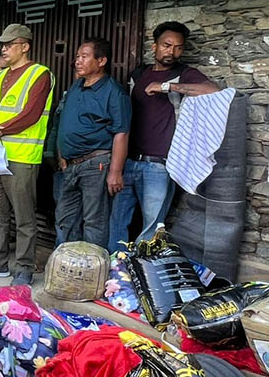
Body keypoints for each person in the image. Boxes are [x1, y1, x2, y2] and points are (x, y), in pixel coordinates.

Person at [108, 21, 220, 251]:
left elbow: (214, 90)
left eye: (178, 47)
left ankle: (140, 276)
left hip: (160, 165)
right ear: (154, 46)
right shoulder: (138, 73)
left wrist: (168, 87)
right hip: (128, 162)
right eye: (167, 45)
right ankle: (115, 274)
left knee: (152, 227)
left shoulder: (183, 73)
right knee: (117, 221)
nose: (172, 52)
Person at [0, 24, 54, 286]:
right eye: (2, 45)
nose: (4, 49)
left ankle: (24, 267)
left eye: (9, 44)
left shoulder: (39, 74)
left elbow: (31, 113)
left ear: (25, 46)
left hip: (22, 156)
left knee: (23, 216)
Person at [52, 38, 131, 249]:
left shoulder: (114, 92)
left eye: (84, 56)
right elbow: (65, 122)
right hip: (71, 165)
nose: (78, 61)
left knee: (94, 221)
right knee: (65, 218)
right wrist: (62, 157)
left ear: (102, 60)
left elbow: (121, 133)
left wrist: (115, 172)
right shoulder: (76, 86)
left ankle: (92, 272)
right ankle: (68, 265)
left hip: (96, 164)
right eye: (77, 56)